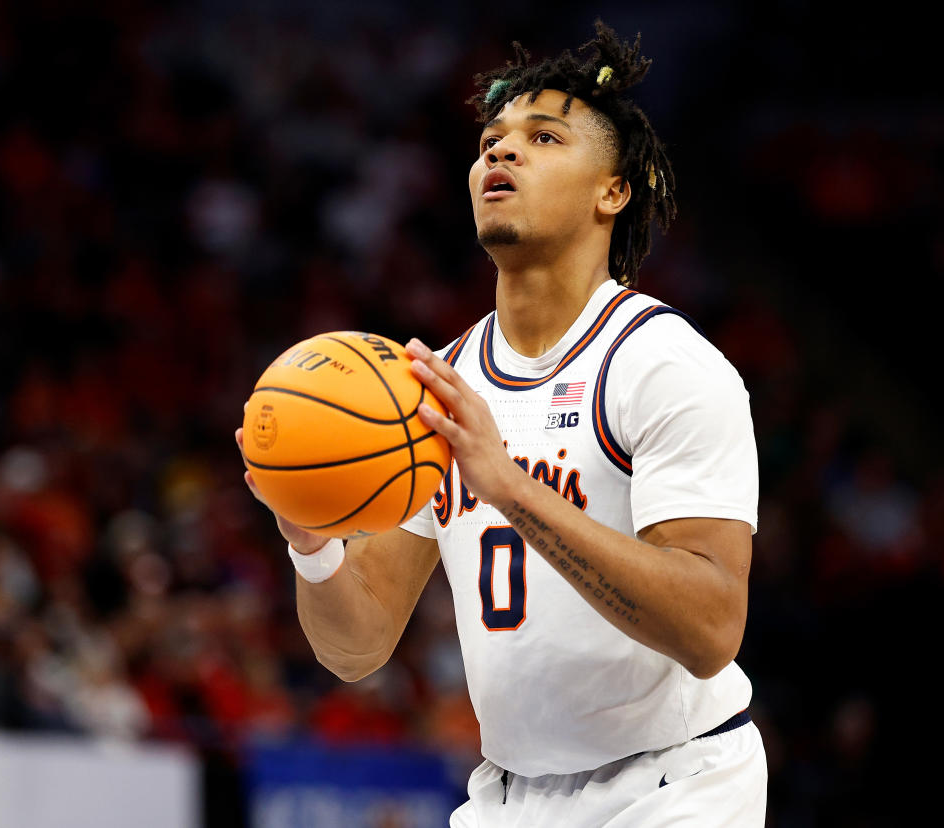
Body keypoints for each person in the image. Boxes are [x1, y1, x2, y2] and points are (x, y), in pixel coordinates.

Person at [237, 22, 765, 826]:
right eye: (491, 140)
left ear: (612, 190)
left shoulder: (666, 366)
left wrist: (510, 490)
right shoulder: (427, 391)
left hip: (674, 787)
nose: (500, 153)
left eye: (542, 137)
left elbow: (710, 628)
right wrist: (309, 542)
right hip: (509, 795)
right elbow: (358, 648)